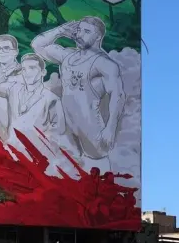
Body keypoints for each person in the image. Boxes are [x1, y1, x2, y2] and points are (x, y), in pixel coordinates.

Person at [31, 17, 128, 172]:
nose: (80, 34)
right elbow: (37, 44)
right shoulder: (67, 56)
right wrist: (61, 30)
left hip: (89, 123)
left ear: (98, 37)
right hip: (67, 121)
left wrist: (110, 128)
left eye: (86, 31)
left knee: (97, 164)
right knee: (69, 165)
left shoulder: (105, 64)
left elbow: (118, 96)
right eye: (79, 30)